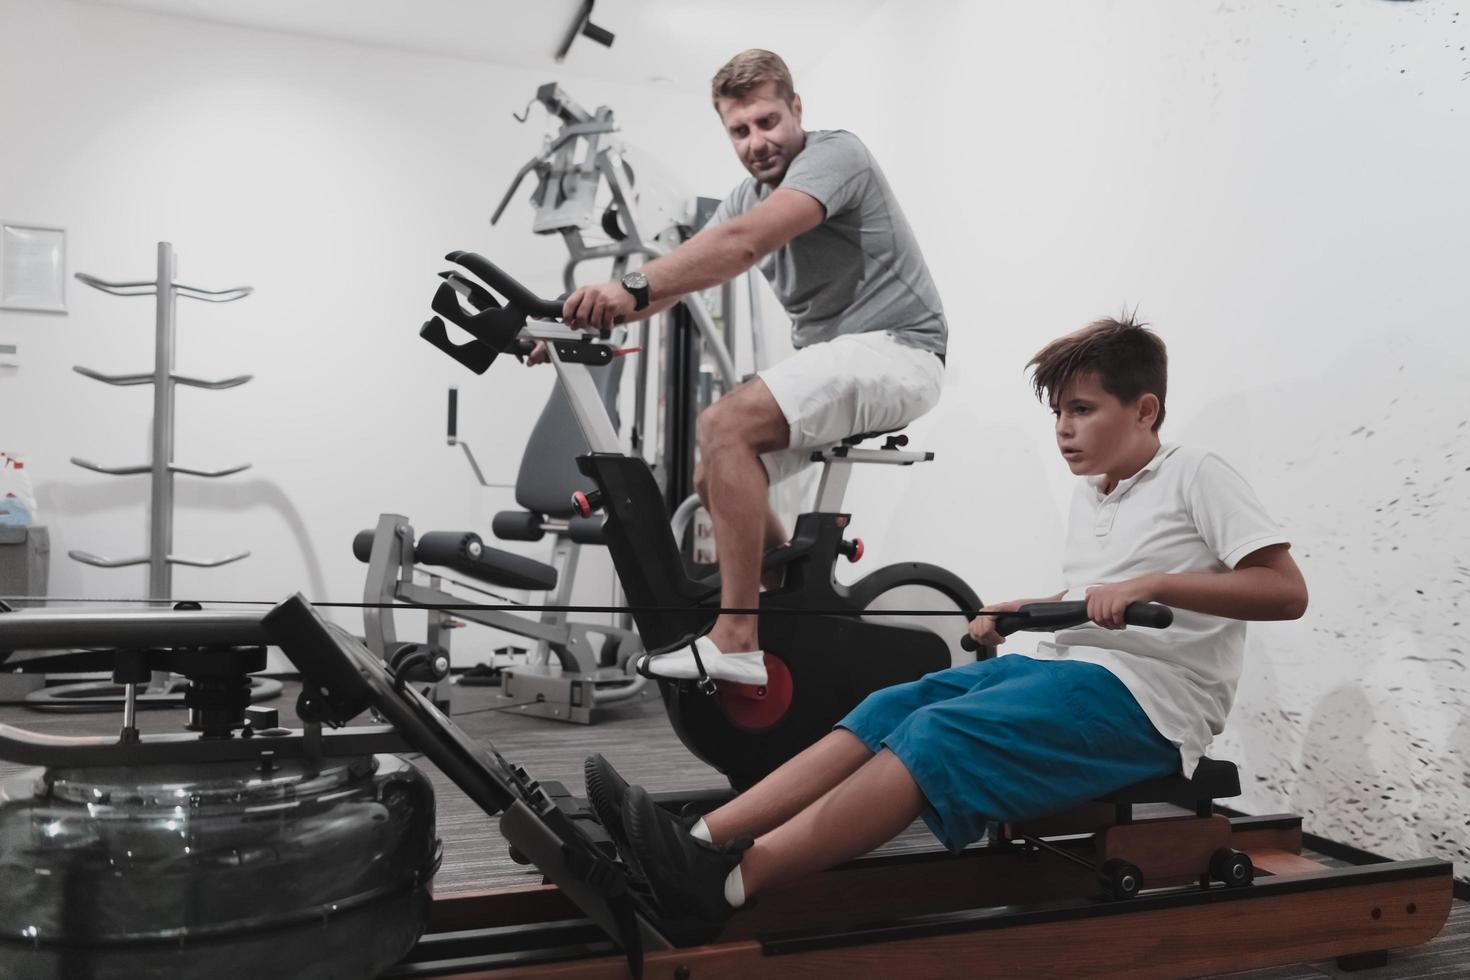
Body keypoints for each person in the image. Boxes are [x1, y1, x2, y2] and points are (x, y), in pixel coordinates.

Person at [583, 315, 1309, 935]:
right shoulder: (1098, 492)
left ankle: (725, 889)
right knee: (893, 704)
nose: (1063, 430)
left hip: (1150, 706)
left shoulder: (1197, 474)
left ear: (1145, 410)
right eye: (1057, 412)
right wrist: (1024, 607)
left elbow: (1285, 591)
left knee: (933, 739)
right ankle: (697, 840)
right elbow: (1097, 594)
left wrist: (1150, 585)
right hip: (1072, 672)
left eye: (1082, 410)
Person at [550, 49, 949, 687]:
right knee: (717, 474)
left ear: (796, 109)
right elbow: (681, 279)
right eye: (740, 131)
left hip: (899, 349)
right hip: (838, 357)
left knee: (724, 425)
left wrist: (630, 285)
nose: (757, 142)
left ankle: (738, 635)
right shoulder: (743, 194)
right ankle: (793, 602)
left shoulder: (835, 155)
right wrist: (563, 329)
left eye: (768, 122)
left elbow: (741, 245)